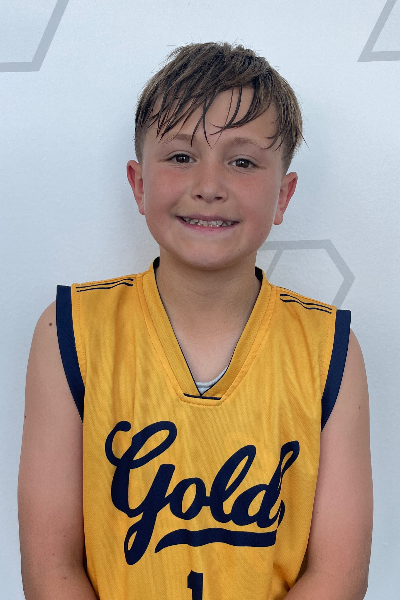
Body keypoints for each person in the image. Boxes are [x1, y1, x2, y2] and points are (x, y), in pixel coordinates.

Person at [18, 42, 373, 600]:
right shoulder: (68, 332)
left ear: (284, 195)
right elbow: (51, 569)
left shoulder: (331, 349)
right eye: (182, 156)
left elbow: (338, 575)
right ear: (139, 184)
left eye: (242, 161)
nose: (209, 185)